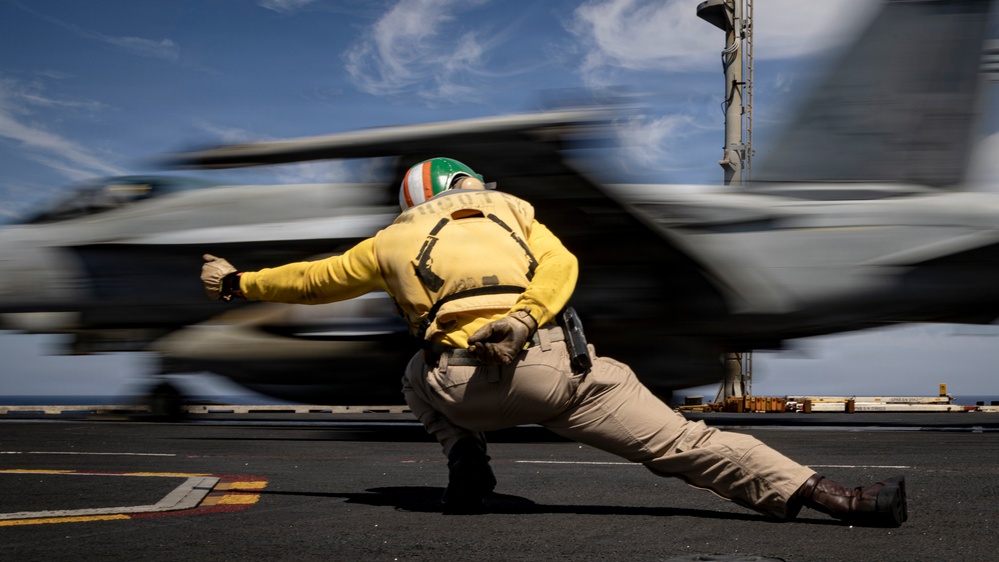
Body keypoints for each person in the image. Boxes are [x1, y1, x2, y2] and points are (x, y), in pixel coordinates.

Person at [200, 157, 908, 526]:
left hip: (460, 385)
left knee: (413, 375)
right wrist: (521, 317)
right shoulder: (514, 210)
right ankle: (843, 502)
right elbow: (564, 267)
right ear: (470, 186)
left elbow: (310, 281)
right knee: (688, 445)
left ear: (416, 200)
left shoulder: (390, 237)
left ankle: (463, 463)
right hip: (555, 370)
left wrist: (235, 283)